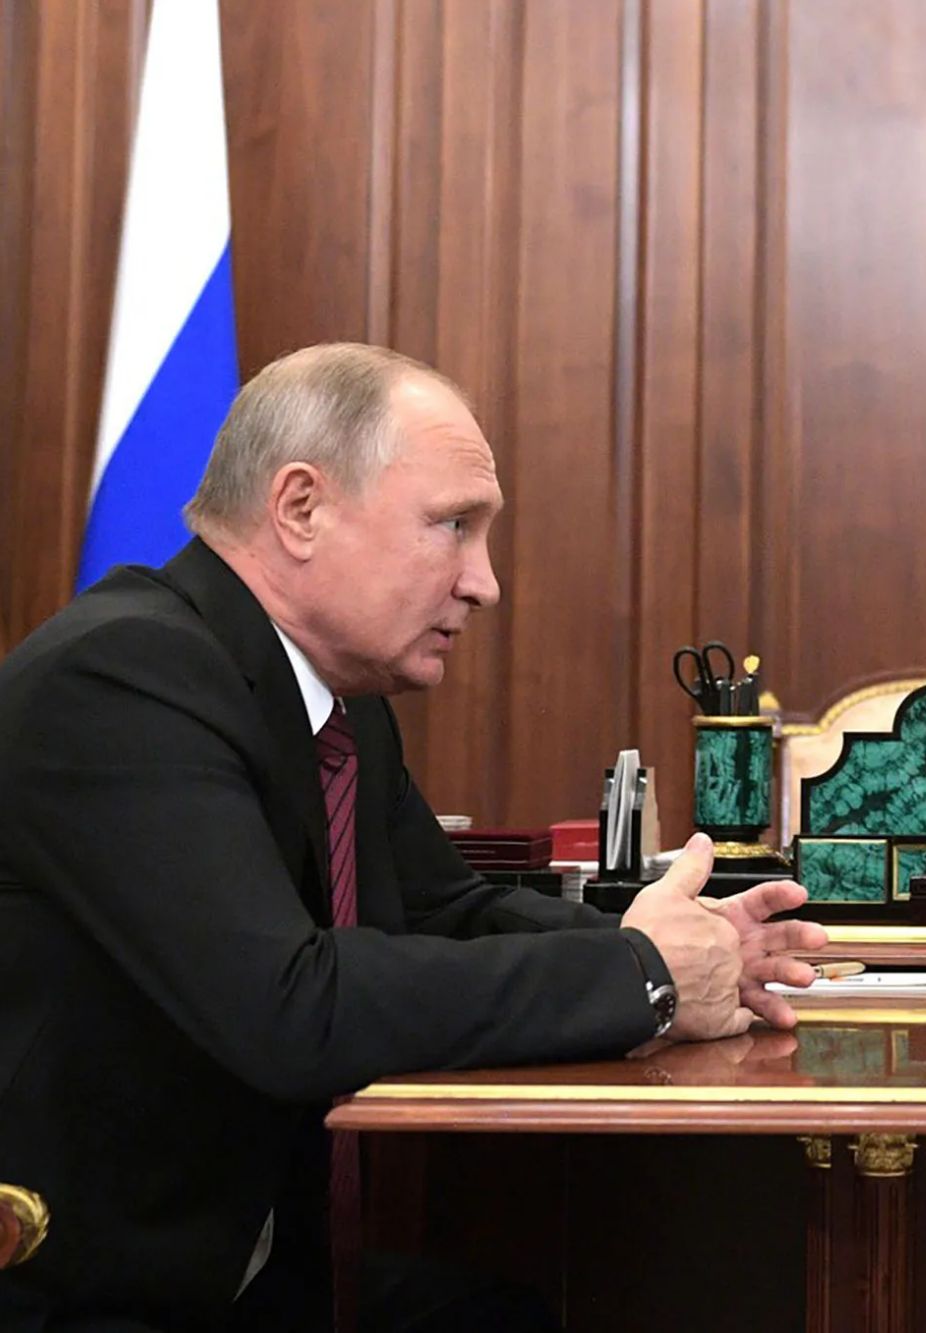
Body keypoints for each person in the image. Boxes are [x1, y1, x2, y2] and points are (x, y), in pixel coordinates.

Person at [0, 344, 827, 1333]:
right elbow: (289, 1004)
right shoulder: (123, 679)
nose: (485, 583)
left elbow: (444, 910)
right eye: (452, 526)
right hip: (87, 1288)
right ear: (300, 508)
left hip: (245, 1262)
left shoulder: (335, 700)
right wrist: (642, 977)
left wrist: (683, 948)